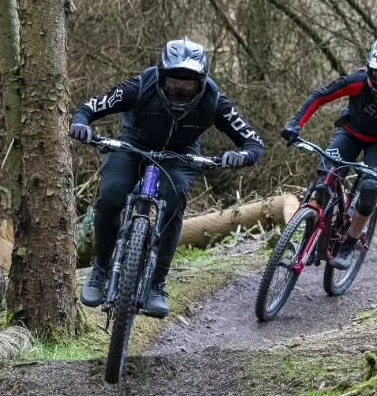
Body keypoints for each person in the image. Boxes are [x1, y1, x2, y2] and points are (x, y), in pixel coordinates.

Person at [70, 38, 265, 318]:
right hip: (134, 145)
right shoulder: (141, 86)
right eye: (174, 82)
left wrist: (242, 155)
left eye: (189, 85)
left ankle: (156, 286)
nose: (180, 90)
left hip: (181, 154)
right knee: (111, 194)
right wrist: (81, 124)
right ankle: (100, 271)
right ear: (161, 76)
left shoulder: (214, 100)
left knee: (173, 204)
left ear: (202, 82)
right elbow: (90, 107)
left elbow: (253, 142)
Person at [281, 36, 377, 269]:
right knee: (324, 181)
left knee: (370, 187)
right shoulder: (357, 80)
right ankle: (314, 237)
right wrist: (295, 125)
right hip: (350, 132)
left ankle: (349, 243)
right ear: (369, 70)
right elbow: (320, 96)